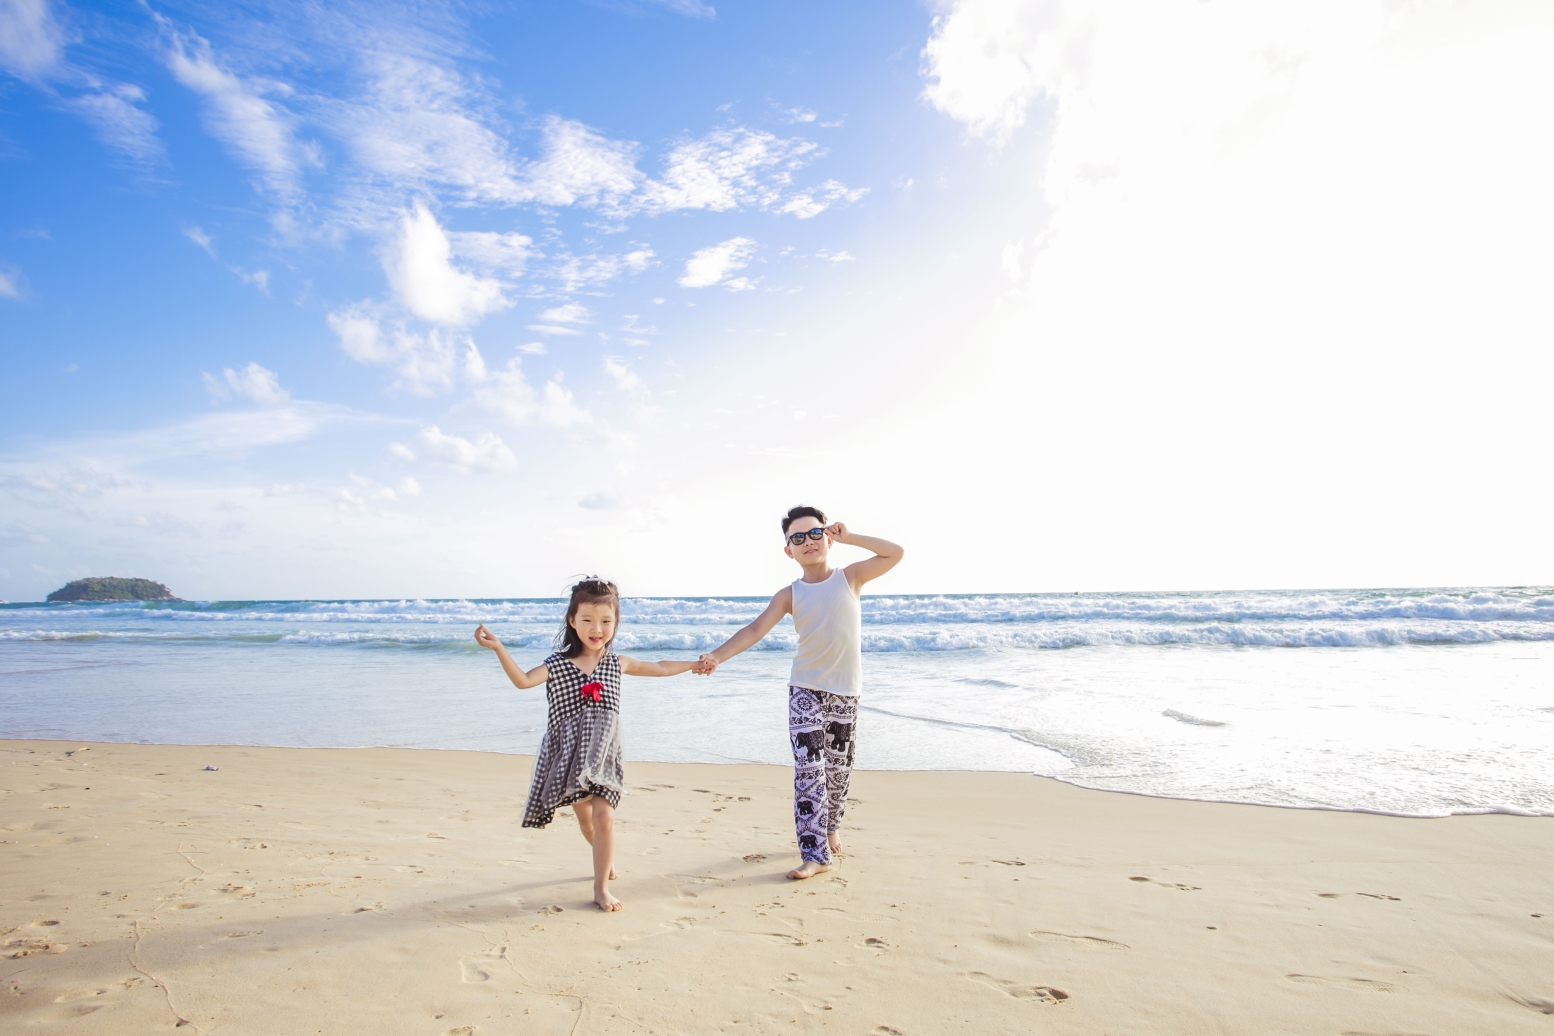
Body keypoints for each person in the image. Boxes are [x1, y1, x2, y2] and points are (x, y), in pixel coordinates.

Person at [474, 577, 706, 911]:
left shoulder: (617, 663)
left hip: (605, 754)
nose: (597, 628)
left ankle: (600, 888)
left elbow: (659, 667)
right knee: (585, 820)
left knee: (603, 817)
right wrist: (498, 648)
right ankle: (603, 859)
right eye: (587, 620)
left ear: (615, 622)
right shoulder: (557, 666)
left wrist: (694, 664)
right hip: (569, 755)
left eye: (606, 621)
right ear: (572, 621)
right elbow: (523, 681)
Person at [697, 507, 903, 879]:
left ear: (827, 538)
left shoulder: (851, 577)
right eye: (797, 538)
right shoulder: (789, 595)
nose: (807, 541)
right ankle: (814, 854)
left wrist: (850, 537)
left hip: (845, 693)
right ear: (788, 550)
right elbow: (755, 630)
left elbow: (894, 553)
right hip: (805, 690)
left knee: (837, 774)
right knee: (810, 772)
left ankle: (831, 825)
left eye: (814, 533)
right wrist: (717, 656)